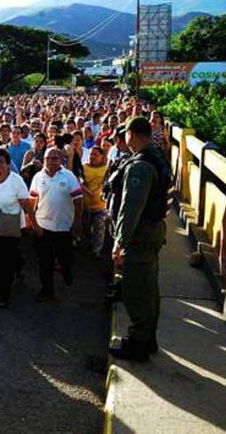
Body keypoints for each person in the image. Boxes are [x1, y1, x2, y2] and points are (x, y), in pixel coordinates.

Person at [109, 116, 169, 361]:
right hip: (150, 233)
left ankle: (138, 344)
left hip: (139, 237)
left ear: (132, 134)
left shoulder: (140, 166)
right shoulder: (155, 157)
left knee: (137, 292)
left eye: (124, 134)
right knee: (149, 288)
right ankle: (148, 337)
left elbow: (130, 208)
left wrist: (120, 241)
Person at [29, 147, 84, 301]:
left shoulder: (69, 176)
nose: (51, 161)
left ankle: (66, 270)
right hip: (42, 226)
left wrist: (78, 221)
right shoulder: (38, 177)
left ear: (61, 161)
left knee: (65, 257)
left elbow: (78, 200)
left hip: (63, 227)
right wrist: (31, 222)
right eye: (48, 158)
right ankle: (47, 291)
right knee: (44, 261)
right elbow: (33, 200)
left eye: (55, 158)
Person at [0, 148, 33, 308]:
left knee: (6, 263)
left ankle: (3, 295)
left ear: (8, 164)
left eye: (1, 162)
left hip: (11, 227)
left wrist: (33, 223)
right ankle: (19, 264)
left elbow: (26, 203)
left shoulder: (16, 180)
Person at [82, 146, 109, 258]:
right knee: (86, 227)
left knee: (99, 227)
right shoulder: (84, 167)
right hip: (85, 204)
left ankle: (96, 251)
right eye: (91, 154)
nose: (92, 156)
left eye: (95, 154)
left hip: (100, 205)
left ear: (102, 156)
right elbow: (80, 182)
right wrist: (87, 191)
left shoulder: (106, 169)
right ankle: (88, 244)